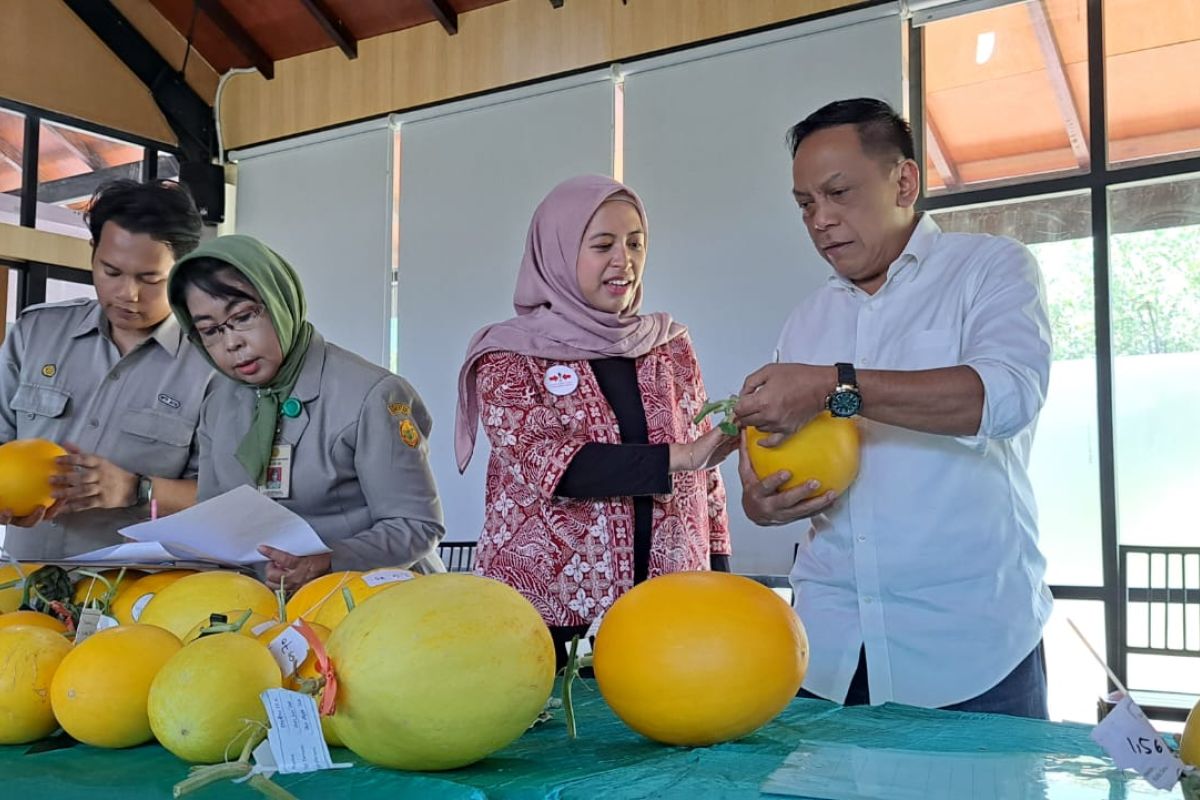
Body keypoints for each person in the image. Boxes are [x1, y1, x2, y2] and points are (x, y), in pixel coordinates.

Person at [734, 99, 1053, 718]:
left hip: (969, 651)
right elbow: (770, 460)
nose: (821, 220)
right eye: (805, 205)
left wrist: (835, 386)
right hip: (825, 652)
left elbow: (1002, 397)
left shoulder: (989, 270)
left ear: (904, 181)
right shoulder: (808, 319)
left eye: (839, 193)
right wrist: (760, 501)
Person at [455, 175, 736, 665]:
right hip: (550, 617)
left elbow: (706, 477)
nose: (623, 260)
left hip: (672, 604)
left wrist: (718, 573)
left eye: (635, 243)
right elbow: (550, 465)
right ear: (558, 252)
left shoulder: (668, 344)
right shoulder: (507, 355)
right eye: (602, 244)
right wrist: (684, 457)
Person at [167, 235, 445, 590]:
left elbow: (416, 525)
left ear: (280, 301)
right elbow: (216, 521)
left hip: (373, 601)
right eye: (209, 331)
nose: (231, 342)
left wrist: (330, 559)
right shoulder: (219, 403)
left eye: (243, 317)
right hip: (269, 608)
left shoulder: (373, 395)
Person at [0, 179, 213, 559]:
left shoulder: (212, 366)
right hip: (23, 576)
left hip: (135, 594)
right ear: (93, 253)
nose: (126, 294)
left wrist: (136, 489)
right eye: (111, 272)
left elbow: (227, 499)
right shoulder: (36, 334)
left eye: (150, 279)